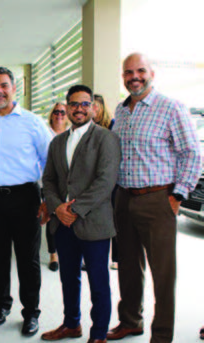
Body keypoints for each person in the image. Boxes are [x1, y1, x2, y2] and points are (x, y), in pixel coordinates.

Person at [107, 53, 201, 343]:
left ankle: (161, 334)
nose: (134, 76)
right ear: (122, 77)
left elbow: (191, 154)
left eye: (140, 71)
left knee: (163, 273)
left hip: (158, 200)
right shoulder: (120, 112)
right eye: (128, 72)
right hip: (124, 199)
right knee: (128, 267)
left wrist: (178, 195)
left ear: (152, 73)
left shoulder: (171, 107)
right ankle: (130, 321)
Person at [0, 66, 52, 336]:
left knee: (27, 259)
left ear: (14, 88)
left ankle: (31, 312)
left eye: (4, 85)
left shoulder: (32, 122)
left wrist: (47, 199)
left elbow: (49, 161)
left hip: (26, 197)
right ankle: (1, 306)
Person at [41, 85, 121, 343]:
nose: (79, 109)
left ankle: (98, 335)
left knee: (98, 283)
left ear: (93, 108)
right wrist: (56, 208)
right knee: (68, 279)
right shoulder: (57, 142)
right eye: (74, 104)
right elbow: (49, 179)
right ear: (66, 107)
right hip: (62, 225)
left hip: (94, 223)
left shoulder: (106, 139)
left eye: (85, 104)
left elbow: (105, 182)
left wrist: (72, 209)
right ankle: (71, 324)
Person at [93, 94, 118, 270]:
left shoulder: (113, 125)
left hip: (113, 179)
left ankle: (116, 258)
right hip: (94, 180)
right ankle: (94, 257)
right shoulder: (85, 128)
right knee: (97, 219)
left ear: (102, 107)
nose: (92, 109)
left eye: (96, 106)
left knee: (114, 219)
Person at [45, 102, 69, 272]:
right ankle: (53, 254)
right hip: (49, 181)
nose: (59, 115)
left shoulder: (72, 133)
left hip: (68, 183)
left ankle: (69, 252)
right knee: (52, 216)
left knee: (68, 217)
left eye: (63, 112)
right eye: (56, 112)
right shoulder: (45, 133)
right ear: (51, 114)